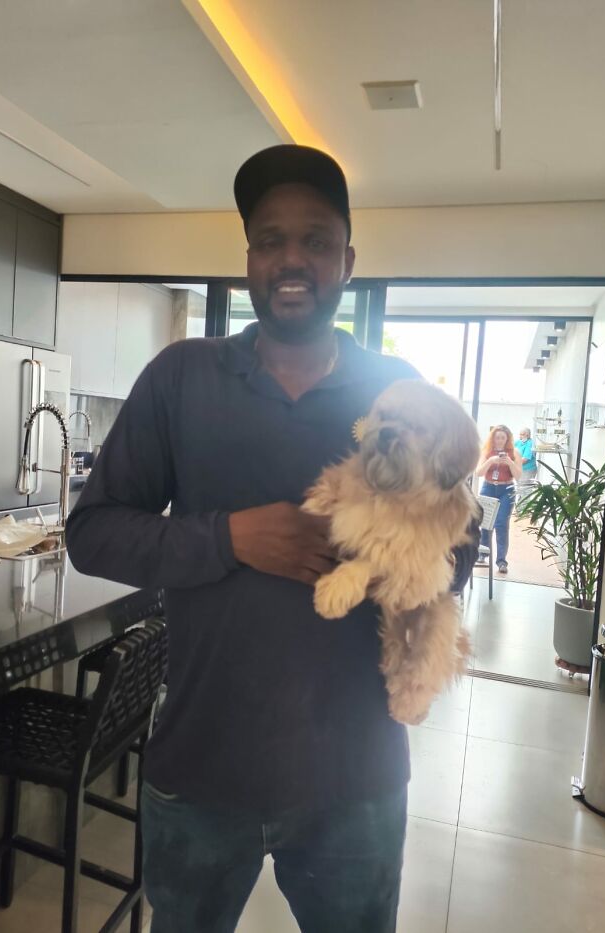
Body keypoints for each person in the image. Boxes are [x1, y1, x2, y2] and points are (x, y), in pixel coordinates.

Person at [66, 144, 479, 933]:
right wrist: (230, 538)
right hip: (201, 766)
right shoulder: (181, 378)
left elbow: (458, 550)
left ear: (347, 260)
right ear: (249, 255)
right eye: (271, 239)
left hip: (355, 779)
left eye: (317, 241)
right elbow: (93, 533)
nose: (293, 259)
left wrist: (403, 558)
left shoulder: (396, 394)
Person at [475, 424, 522, 574]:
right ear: (493, 438)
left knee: (501, 523)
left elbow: (518, 476)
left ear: (507, 438)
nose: (500, 440)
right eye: (497, 437)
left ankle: (501, 561)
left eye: (503, 437)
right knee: (486, 522)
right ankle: (483, 554)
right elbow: (479, 472)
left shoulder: (514, 452)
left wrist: (509, 462)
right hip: (488, 487)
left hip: (506, 489)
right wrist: (491, 461)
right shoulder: (487, 452)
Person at [514, 426, 538, 503]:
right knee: (519, 489)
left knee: (525, 490)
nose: (520, 436)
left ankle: (524, 510)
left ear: (527, 435)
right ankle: (520, 508)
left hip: (528, 470)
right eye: (520, 434)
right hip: (519, 469)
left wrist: (511, 463)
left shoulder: (530, 443)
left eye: (522, 434)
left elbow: (525, 459)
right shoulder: (518, 442)